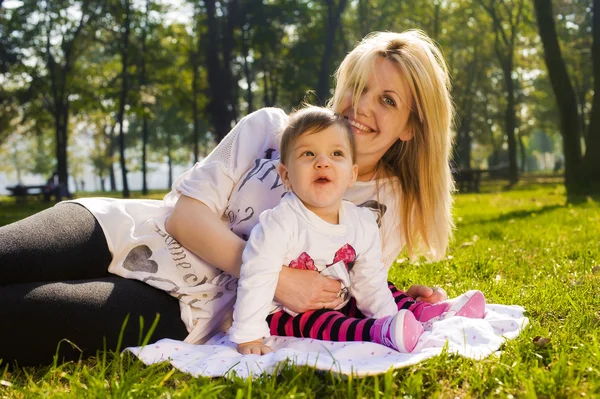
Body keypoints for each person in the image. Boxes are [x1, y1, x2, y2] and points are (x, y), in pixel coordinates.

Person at [0, 30, 457, 366]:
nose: (362, 106)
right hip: (122, 227)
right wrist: (273, 276)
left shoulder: (383, 207)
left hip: (183, 305)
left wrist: (404, 302)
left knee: (13, 316)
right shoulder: (269, 129)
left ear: (413, 127)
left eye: (388, 101)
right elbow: (185, 217)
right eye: (358, 86)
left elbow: (351, 291)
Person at [230, 106, 485, 355]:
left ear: (352, 175)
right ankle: (375, 332)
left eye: (336, 154)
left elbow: (369, 282)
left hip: (342, 295)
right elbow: (256, 275)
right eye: (308, 154)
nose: (322, 163)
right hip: (287, 312)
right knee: (327, 322)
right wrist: (248, 334)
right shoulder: (280, 224)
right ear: (285, 175)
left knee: (384, 285)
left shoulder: (360, 222)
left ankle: (429, 314)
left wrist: (391, 316)